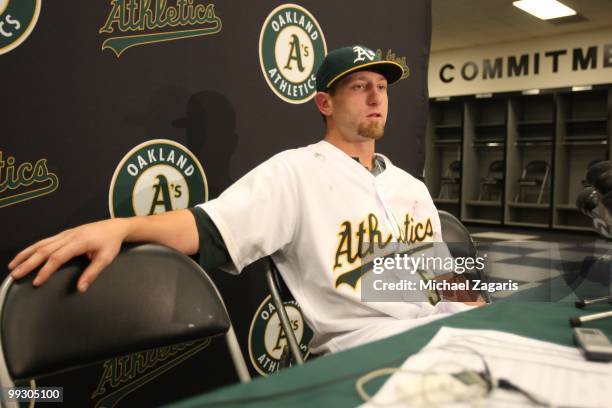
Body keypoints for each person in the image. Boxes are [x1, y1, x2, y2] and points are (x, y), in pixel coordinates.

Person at [9, 45, 477, 354]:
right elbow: (207, 228)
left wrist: (475, 303)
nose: (376, 96)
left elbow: (440, 271)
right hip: (365, 348)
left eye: (383, 86)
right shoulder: (295, 172)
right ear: (325, 103)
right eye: (359, 86)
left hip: (440, 331)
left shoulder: (409, 187)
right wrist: (122, 227)